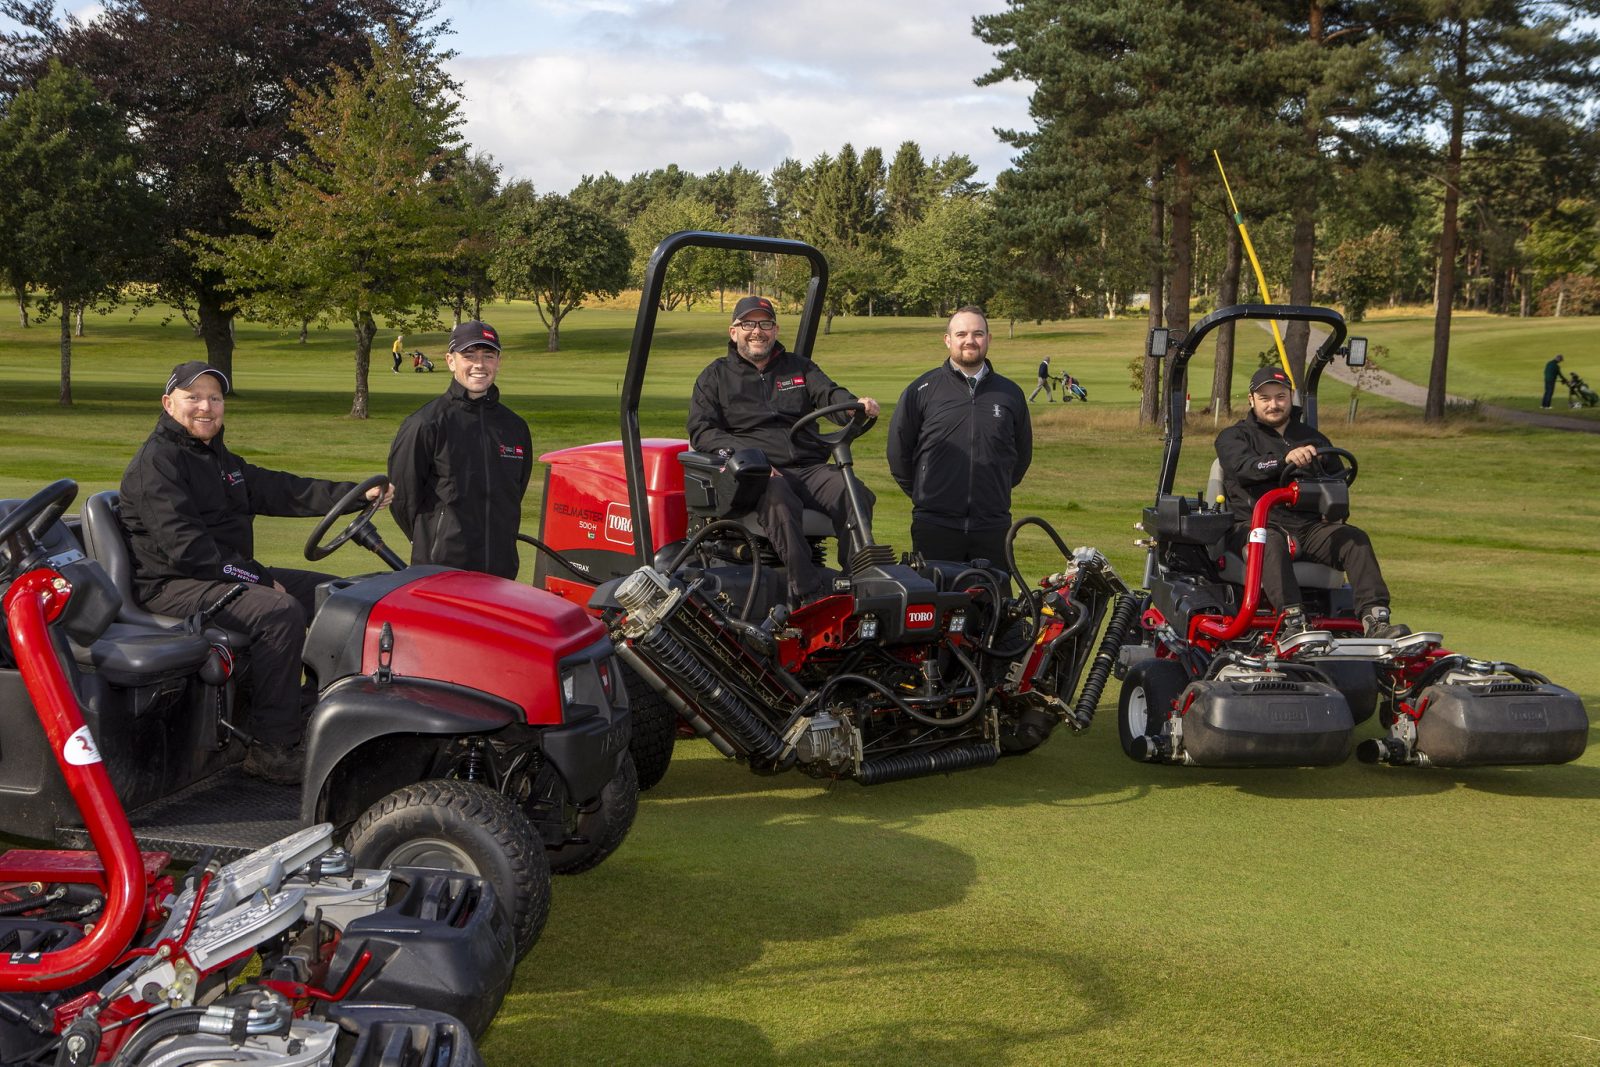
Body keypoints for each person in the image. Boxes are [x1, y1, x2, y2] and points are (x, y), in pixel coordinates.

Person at [120, 361, 391, 784]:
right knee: (278, 611)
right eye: (193, 398)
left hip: (215, 577)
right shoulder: (157, 465)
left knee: (337, 594)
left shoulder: (217, 458)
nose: (206, 407)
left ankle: (308, 710)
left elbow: (283, 489)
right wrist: (257, 578)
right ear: (168, 403)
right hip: (170, 585)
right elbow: (190, 552)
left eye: (214, 398)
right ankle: (270, 748)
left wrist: (357, 495)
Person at [687, 295, 879, 606]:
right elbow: (702, 430)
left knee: (853, 492)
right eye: (747, 324)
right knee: (777, 496)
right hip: (754, 474)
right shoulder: (716, 376)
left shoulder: (799, 368)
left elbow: (828, 393)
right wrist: (751, 459)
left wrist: (853, 406)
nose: (756, 331)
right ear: (733, 331)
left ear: (775, 330)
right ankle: (807, 592)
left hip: (808, 467)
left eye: (764, 324)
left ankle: (858, 583)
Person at [1214, 366, 1406, 639]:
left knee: (1354, 540)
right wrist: (1285, 460)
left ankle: (1375, 619)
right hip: (1256, 525)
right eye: (1265, 398)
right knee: (1271, 540)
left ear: (1290, 397)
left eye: (1280, 397)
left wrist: (1336, 514)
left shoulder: (1312, 438)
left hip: (1307, 527)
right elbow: (1245, 467)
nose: (1273, 404)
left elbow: (1336, 480)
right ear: (1251, 400)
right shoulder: (1234, 437)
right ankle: (1292, 622)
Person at [887, 306, 1031, 567]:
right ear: (948, 339)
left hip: (992, 525)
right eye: (961, 333)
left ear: (988, 339)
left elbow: (1021, 456)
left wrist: (992, 490)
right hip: (935, 525)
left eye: (978, 333)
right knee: (935, 603)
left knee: (993, 604)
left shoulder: (1010, 394)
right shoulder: (922, 389)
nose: (969, 340)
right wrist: (926, 492)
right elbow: (898, 453)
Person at [388, 320, 531, 579]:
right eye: (469, 355)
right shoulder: (425, 423)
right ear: (450, 361)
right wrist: (434, 538)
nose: (479, 364)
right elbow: (403, 500)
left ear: (498, 361)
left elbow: (515, 491)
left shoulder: (515, 427)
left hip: (502, 571)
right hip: (442, 569)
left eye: (488, 355)